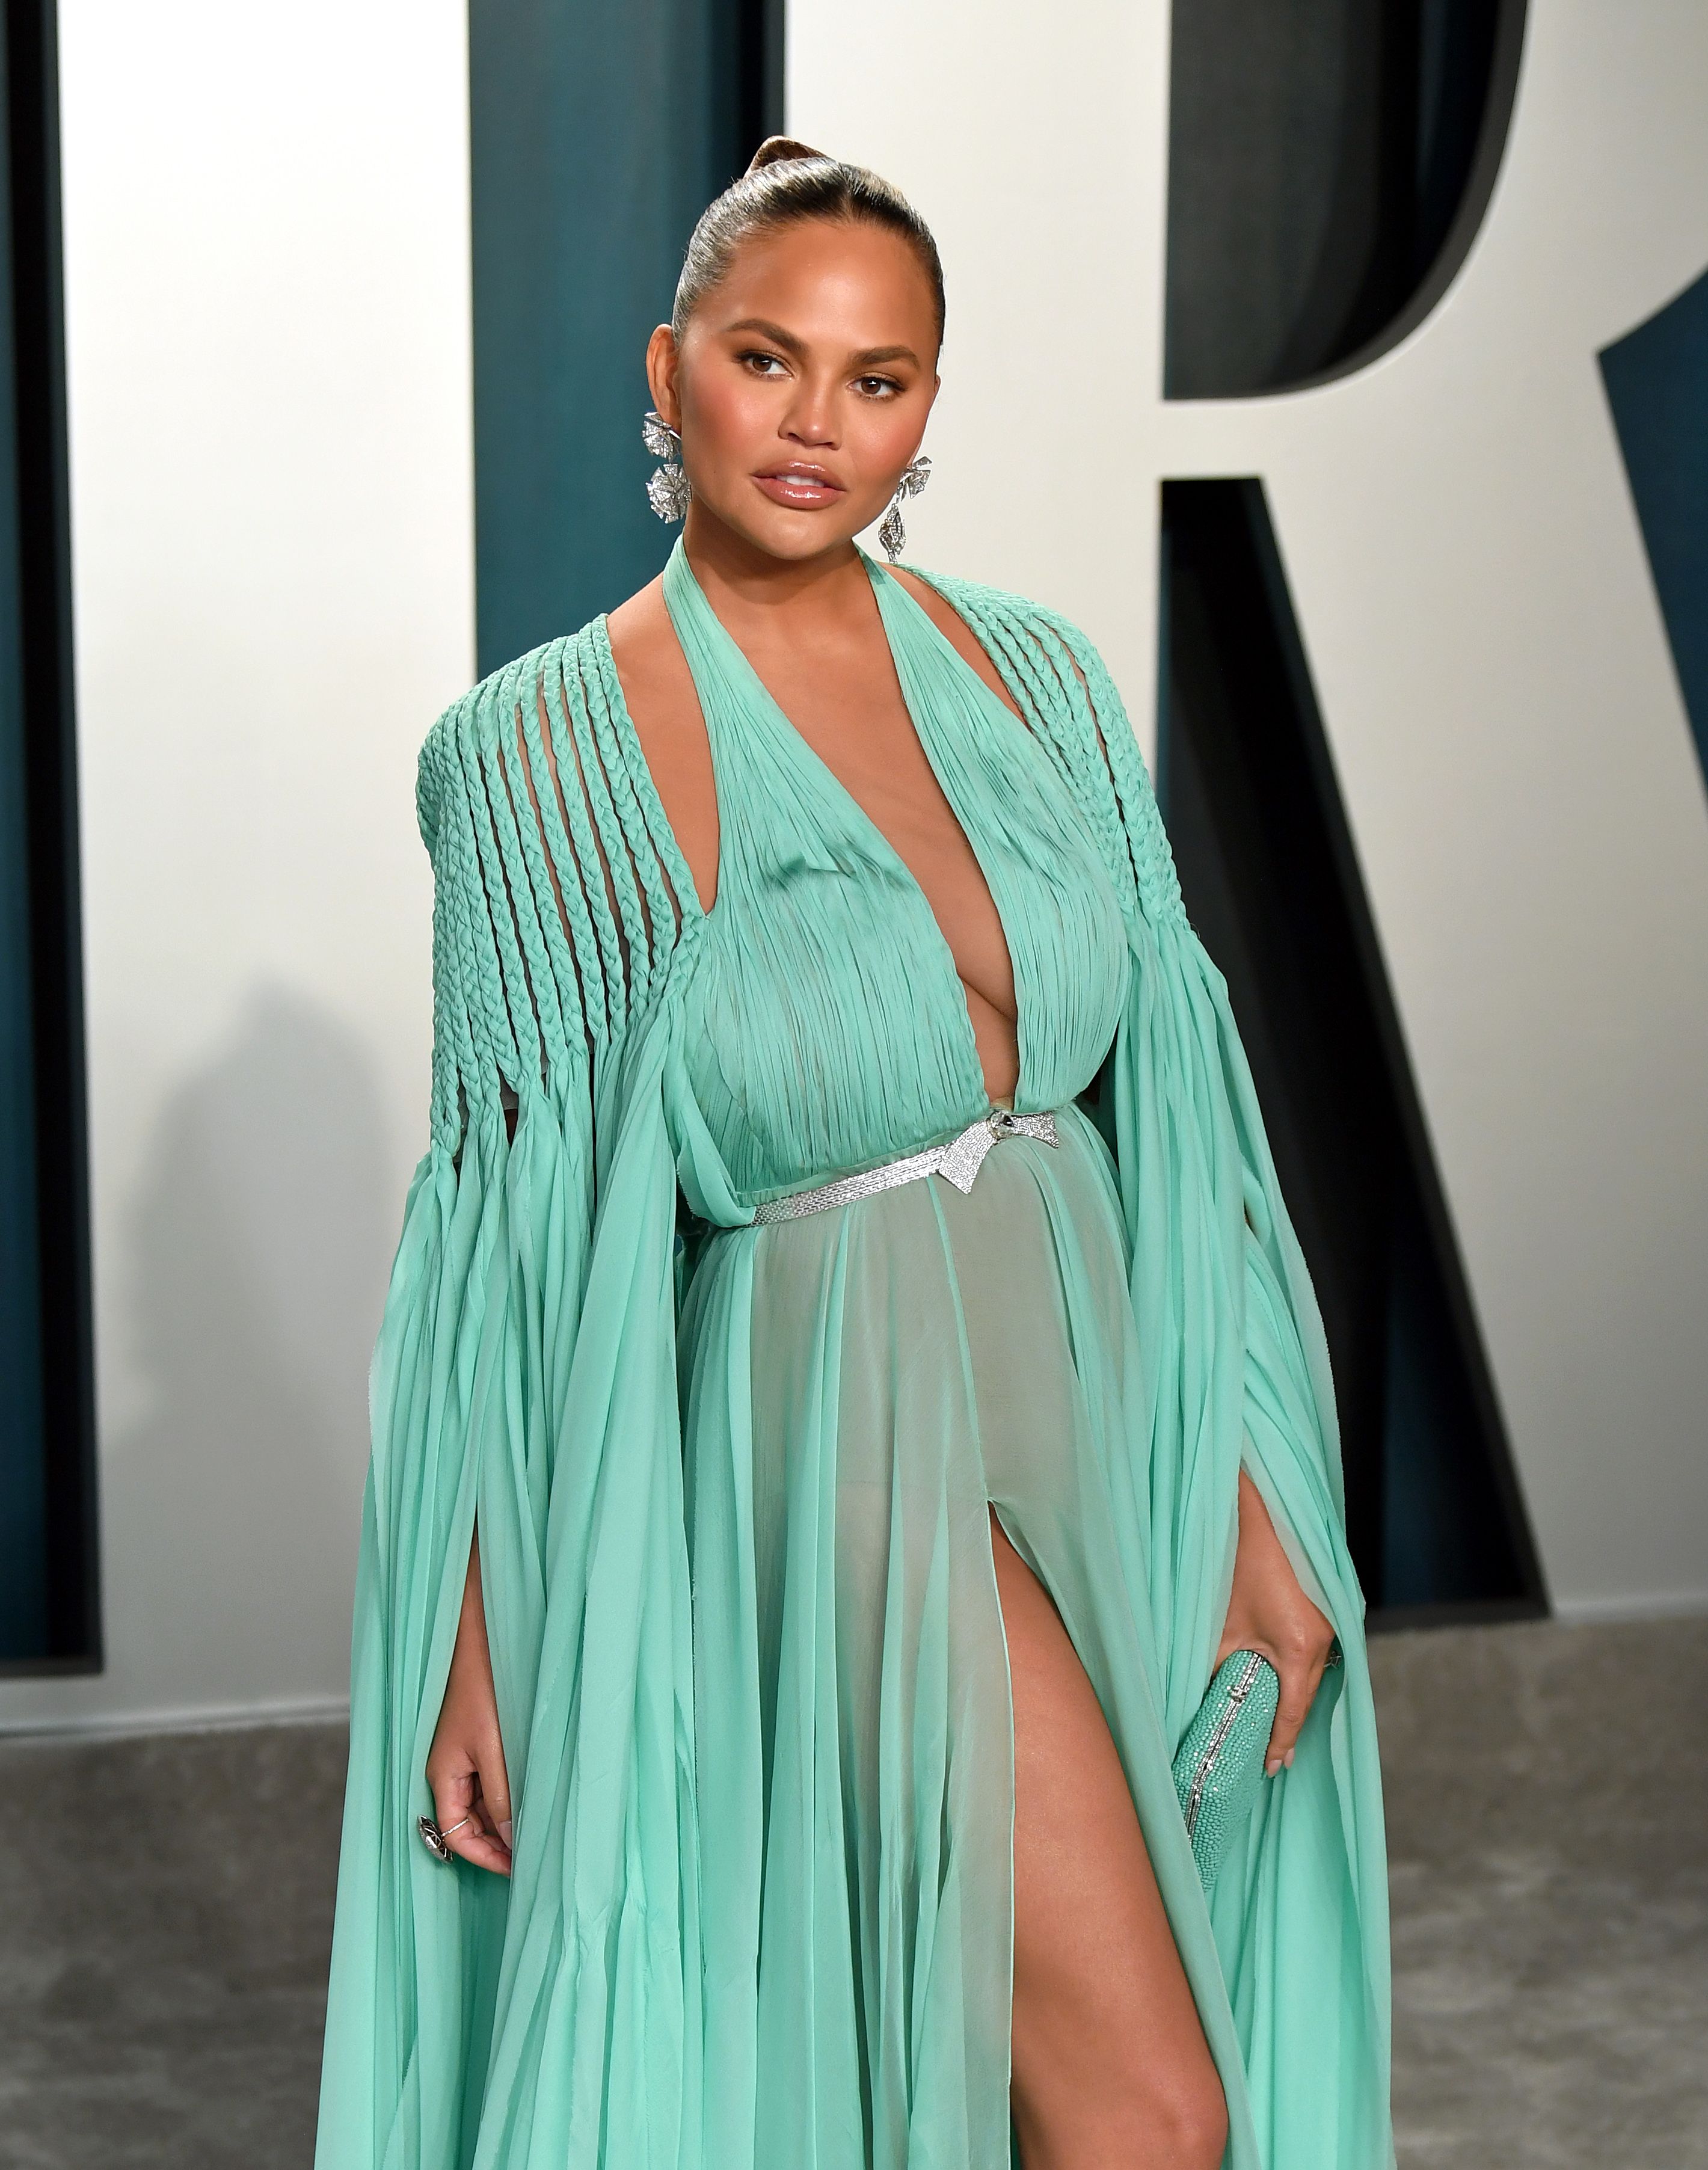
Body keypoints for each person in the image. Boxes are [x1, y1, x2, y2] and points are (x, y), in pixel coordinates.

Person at [313, 139, 1395, 2170]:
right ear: (667, 370)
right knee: (1152, 2115)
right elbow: (499, 1238)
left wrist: (1257, 1480)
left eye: (879, 378)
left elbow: (1181, 1102)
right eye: (767, 358)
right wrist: (480, 1644)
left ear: (926, 410)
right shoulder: (535, 757)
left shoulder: (1039, 677)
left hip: (1110, 1409)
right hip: (840, 1437)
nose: (820, 425)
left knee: (989, 2071)